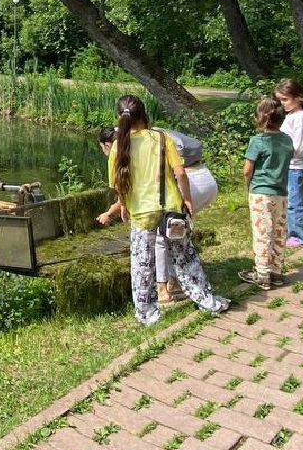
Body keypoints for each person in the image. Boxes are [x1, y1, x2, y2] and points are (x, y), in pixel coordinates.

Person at [98, 95, 227, 321]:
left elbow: (118, 184)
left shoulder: (119, 146)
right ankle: (204, 299)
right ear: (144, 114)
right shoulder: (161, 137)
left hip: (141, 212)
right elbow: (180, 173)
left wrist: (124, 207)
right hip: (170, 208)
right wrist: (186, 199)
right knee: (185, 257)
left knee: (142, 264)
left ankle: (147, 313)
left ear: (120, 118)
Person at [96, 127, 182, 306]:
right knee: (170, 244)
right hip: (170, 200)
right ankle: (174, 284)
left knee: (154, 248)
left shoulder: (120, 150)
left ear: (106, 145)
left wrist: (113, 211)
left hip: (152, 208)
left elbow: (124, 187)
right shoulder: (146, 141)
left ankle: (158, 293)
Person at [241, 97, 293, 289]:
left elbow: (247, 169)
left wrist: (249, 184)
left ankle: (262, 274)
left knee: (263, 233)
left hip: (261, 193)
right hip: (281, 193)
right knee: (279, 232)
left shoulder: (258, 141)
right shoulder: (287, 140)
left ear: (260, 118)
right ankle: (277, 271)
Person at [273, 79, 303, 247]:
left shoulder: (301, 118)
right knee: (288, 200)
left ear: (298, 98)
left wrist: (282, 149)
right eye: (280, 100)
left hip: (295, 166)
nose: (282, 104)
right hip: (287, 165)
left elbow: (299, 146)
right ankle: (292, 231)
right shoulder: (291, 116)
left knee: (295, 202)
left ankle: (301, 235)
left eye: (285, 99)